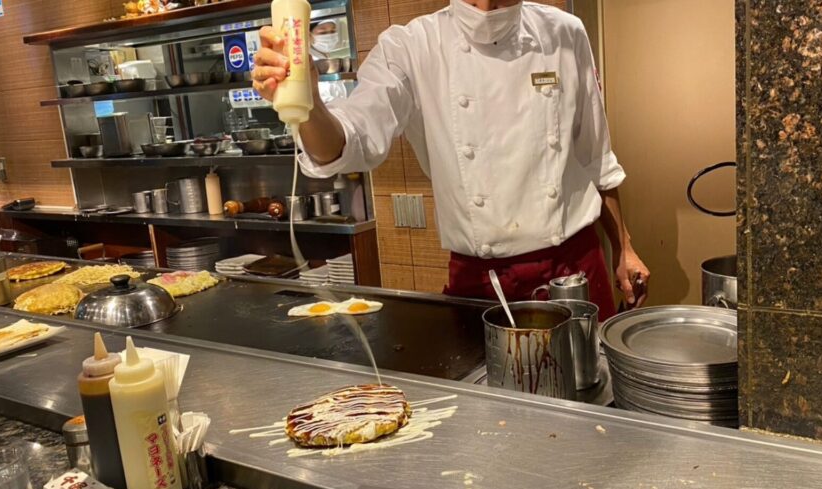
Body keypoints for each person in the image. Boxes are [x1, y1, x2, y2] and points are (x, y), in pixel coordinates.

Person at [252, 0, 649, 319]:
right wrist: (308, 102)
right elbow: (348, 140)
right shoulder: (410, 45)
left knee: (593, 405)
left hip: (575, 267)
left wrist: (624, 247)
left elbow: (596, 157)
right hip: (482, 281)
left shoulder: (565, 33)